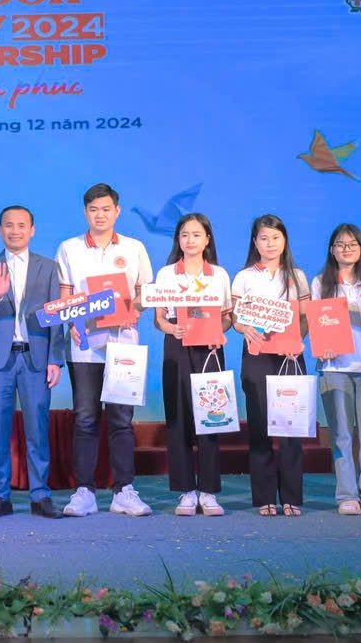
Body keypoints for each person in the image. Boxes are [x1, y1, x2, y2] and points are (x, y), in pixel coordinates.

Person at [54, 183, 153, 517]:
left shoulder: (134, 248)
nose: (100, 215)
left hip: (124, 344)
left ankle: (124, 490)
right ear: (85, 212)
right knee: (85, 418)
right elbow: (65, 297)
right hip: (84, 346)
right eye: (93, 209)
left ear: (117, 211)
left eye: (106, 209)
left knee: (122, 419)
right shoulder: (69, 248)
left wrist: (132, 311)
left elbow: (144, 294)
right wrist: (73, 321)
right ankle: (84, 491)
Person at [0, 205, 65, 519]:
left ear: (32, 230)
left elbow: (56, 316)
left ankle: (40, 496)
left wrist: (55, 359)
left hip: (36, 358)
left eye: (22, 225)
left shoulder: (48, 267)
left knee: (38, 427)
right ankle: (0, 497)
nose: (15, 231)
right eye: (8, 225)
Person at [152, 213, 232, 517]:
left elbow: (227, 317)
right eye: (185, 235)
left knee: (212, 415)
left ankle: (208, 491)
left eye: (197, 234)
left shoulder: (219, 275)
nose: (190, 240)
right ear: (178, 239)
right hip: (177, 345)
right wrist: (169, 328)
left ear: (207, 239)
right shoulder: (166, 274)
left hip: (210, 349)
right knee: (179, 416)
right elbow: (159, 318)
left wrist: (219, 332)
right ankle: (186, 491)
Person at [230, 215, 309, 517]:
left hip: (289, 356)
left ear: (284, 241)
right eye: (264, 238)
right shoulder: (244, 277)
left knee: (291, 426)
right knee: (260, 425)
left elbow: (305, 317)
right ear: (255, 243)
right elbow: (236, 319)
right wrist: (243, 327)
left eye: (276, 238)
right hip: (257, 355)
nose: (270, 244)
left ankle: (291, 496)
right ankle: (264, 496)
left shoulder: (297, 276)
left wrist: (297, 341)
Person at [311, 224, 361, 516]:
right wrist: (321, 346)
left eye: (352, 244)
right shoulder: (320, 283)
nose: (346, 249)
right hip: (335, 367)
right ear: (331, 250)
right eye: (340, 244)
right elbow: (317, 323)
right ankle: (346, 495)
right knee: (341, 435)